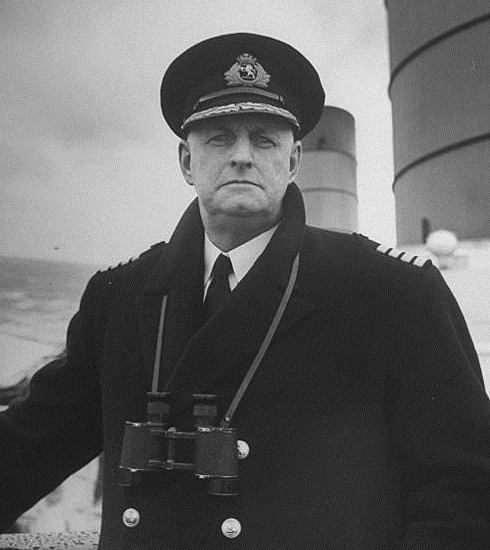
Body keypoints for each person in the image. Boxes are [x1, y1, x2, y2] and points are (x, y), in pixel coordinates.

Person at [0, 32, 489, 550]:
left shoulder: (391, 294)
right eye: (218, 138)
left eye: (263, 139)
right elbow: (33, 443)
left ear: (294, 161)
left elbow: (463, 491)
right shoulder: (118, 298)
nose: (241, 157)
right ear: (186, 162)